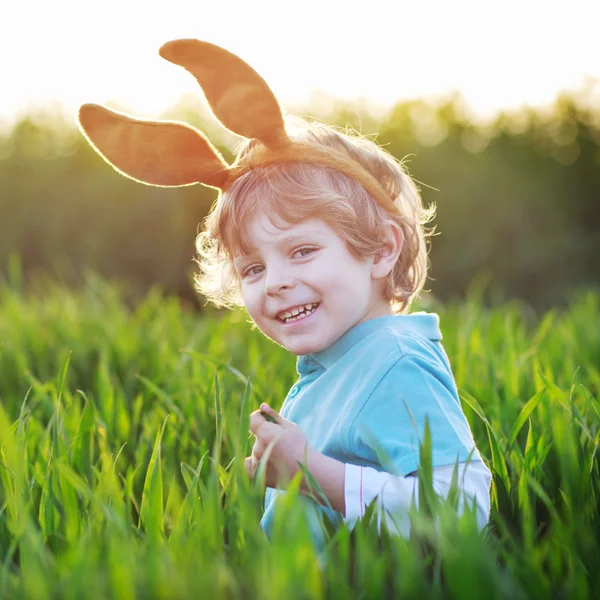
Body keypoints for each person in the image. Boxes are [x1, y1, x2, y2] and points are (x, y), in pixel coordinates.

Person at [77, 38, 492, 552]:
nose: (273, 281)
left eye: (300, 251)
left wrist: (308, 473)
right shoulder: (339, 365)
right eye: (252, 267)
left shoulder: (394, 361)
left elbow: (463, 509)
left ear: (381, 250)